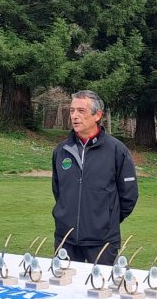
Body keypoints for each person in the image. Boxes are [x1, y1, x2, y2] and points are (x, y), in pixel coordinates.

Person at [51, 90, 139, 266]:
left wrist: (106, 219)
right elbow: (58, 191)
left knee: (102, 291)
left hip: (102, 242)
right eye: (72, 110)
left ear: (97, 115)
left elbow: (129, 196)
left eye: (81, 111)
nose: (74, 116)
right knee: (64, 290)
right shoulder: (61, 151)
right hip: (65, 240)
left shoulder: (116, 150)